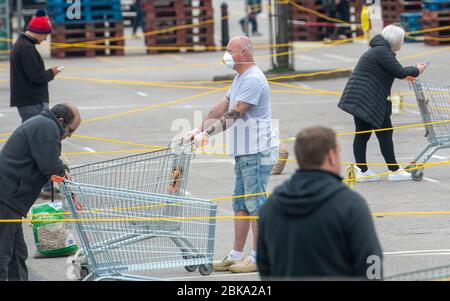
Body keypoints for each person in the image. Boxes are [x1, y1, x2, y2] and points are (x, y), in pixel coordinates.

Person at [183, 36, 278, 273]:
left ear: (244, 53)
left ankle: (259, 256)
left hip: (256, 151)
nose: (225, 55)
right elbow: (221, 107)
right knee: (240, 203)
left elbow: (234, 114)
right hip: (244, 153)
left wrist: (209, 134)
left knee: (255, 204)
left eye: (229, 50)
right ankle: (236, 254)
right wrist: (199, 128)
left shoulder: (254, 79)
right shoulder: (239, 78)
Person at [257, 127, 383, 280]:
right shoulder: (350, 204)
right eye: (339, 151)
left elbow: (264, 265)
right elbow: (371, 259)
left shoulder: (271, 206)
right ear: (331, 156)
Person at [0, 103, 81, 281]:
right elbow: (50, 166)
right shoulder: (47, 128)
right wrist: (63, 173)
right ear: (61, 121)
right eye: (70, 130)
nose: (68, 136)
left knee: (17, 253)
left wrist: (62, 169)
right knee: (4, 254)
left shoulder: (44, 125)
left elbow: (48, 159)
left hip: (12, 197)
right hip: (7, 197)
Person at [338, 25, 428, 182]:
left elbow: (393, 71)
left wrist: (409, 73)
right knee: (385, 132)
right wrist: (417, 69)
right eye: (402, 40)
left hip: (360, 97)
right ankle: (393, 171)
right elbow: (399, 71)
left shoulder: (379, 50)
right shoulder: (382, 51)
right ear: (395, 41)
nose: (403, 43)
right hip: (368, 99)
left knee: (362, 134)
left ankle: (363, 171)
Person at [10, 9, 63, 197]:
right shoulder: (25, 48)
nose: (45, 39)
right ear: (39, 32)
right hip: (31, 101)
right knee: (40, 142)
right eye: (46, 35)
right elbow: (35, 76)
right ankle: (45, 185)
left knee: (36, 142)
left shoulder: (23, 46)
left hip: (29, 100)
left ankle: (41, 184)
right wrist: (52, 73)